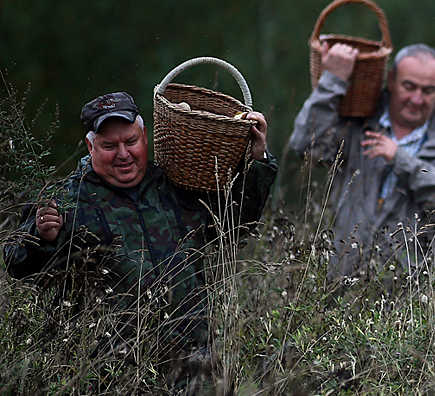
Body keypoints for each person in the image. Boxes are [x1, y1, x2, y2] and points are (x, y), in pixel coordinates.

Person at [4, 92, 278, 364]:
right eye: (110, 146)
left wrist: (258, 159)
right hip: (115, 374)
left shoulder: (174, 184)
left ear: (145, 136)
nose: (123, 154)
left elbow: (235, 224)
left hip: (194, 361)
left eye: (131, 141)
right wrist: (41, 238)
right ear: (91, 148)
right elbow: (17, 265)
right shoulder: (66, 200)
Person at [290, 43, 435, 279]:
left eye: (428, 90)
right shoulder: (357, 125)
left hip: (408, 297)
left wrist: (402, 161)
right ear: (391, 80)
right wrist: (332, 82)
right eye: (409, 87)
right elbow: (304, 147)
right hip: (336, 281)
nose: (417, 99)